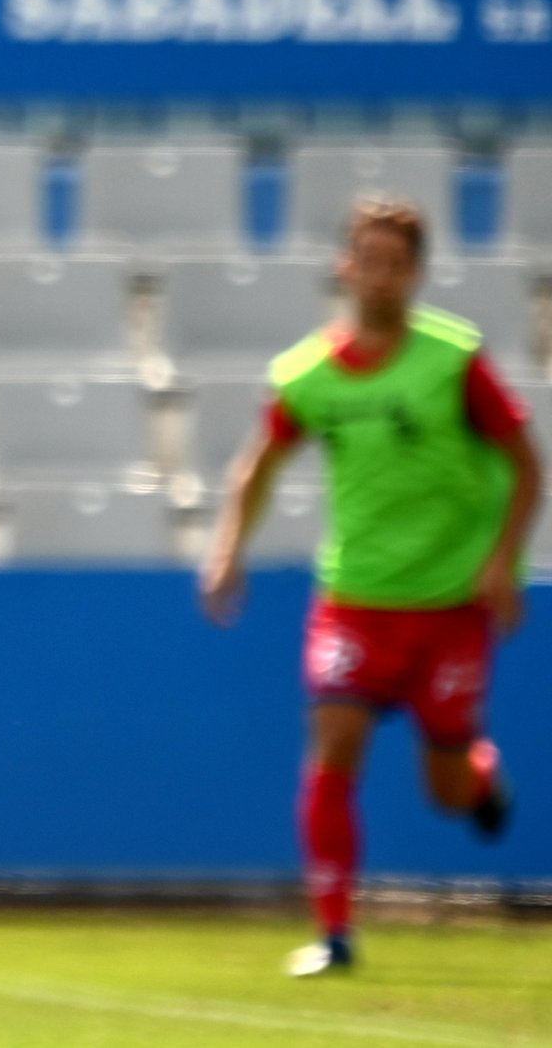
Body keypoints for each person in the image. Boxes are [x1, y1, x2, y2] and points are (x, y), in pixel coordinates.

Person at [198, 197, 540, 979]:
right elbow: (258, 463)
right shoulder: (308, 375)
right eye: (368, 258)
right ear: (344, 266)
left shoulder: (453, 361)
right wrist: (227, 550)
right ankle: (335, 932)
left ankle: (480, 775)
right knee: (334, 746)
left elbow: (527, 463)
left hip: (450, 606)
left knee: (447, 791)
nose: (380, 275)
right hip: (354, 598)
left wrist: (501, 560)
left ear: (415, 273)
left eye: (396, 261)